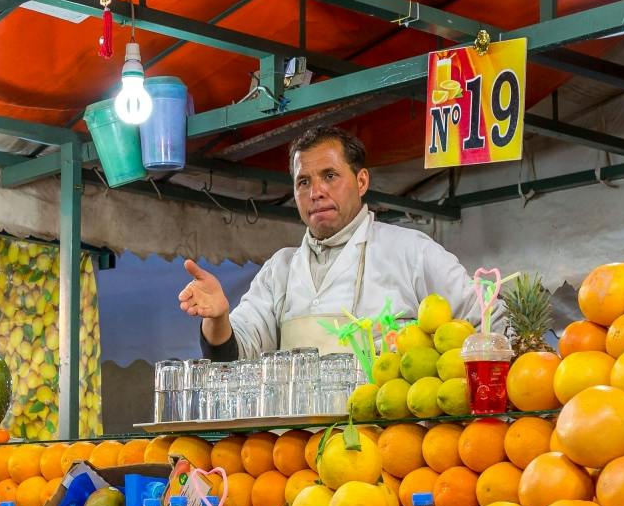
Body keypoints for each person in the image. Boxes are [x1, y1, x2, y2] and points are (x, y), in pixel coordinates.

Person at [179, 127, 479, 358]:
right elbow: (238, 351)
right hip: (297, 440)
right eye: (304, 181)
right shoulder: (280, 270)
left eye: (330, 175)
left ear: (362, 182)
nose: (316, 192)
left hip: (389, 437)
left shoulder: (411, 251)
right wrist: (218, 318)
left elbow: (485, 324)